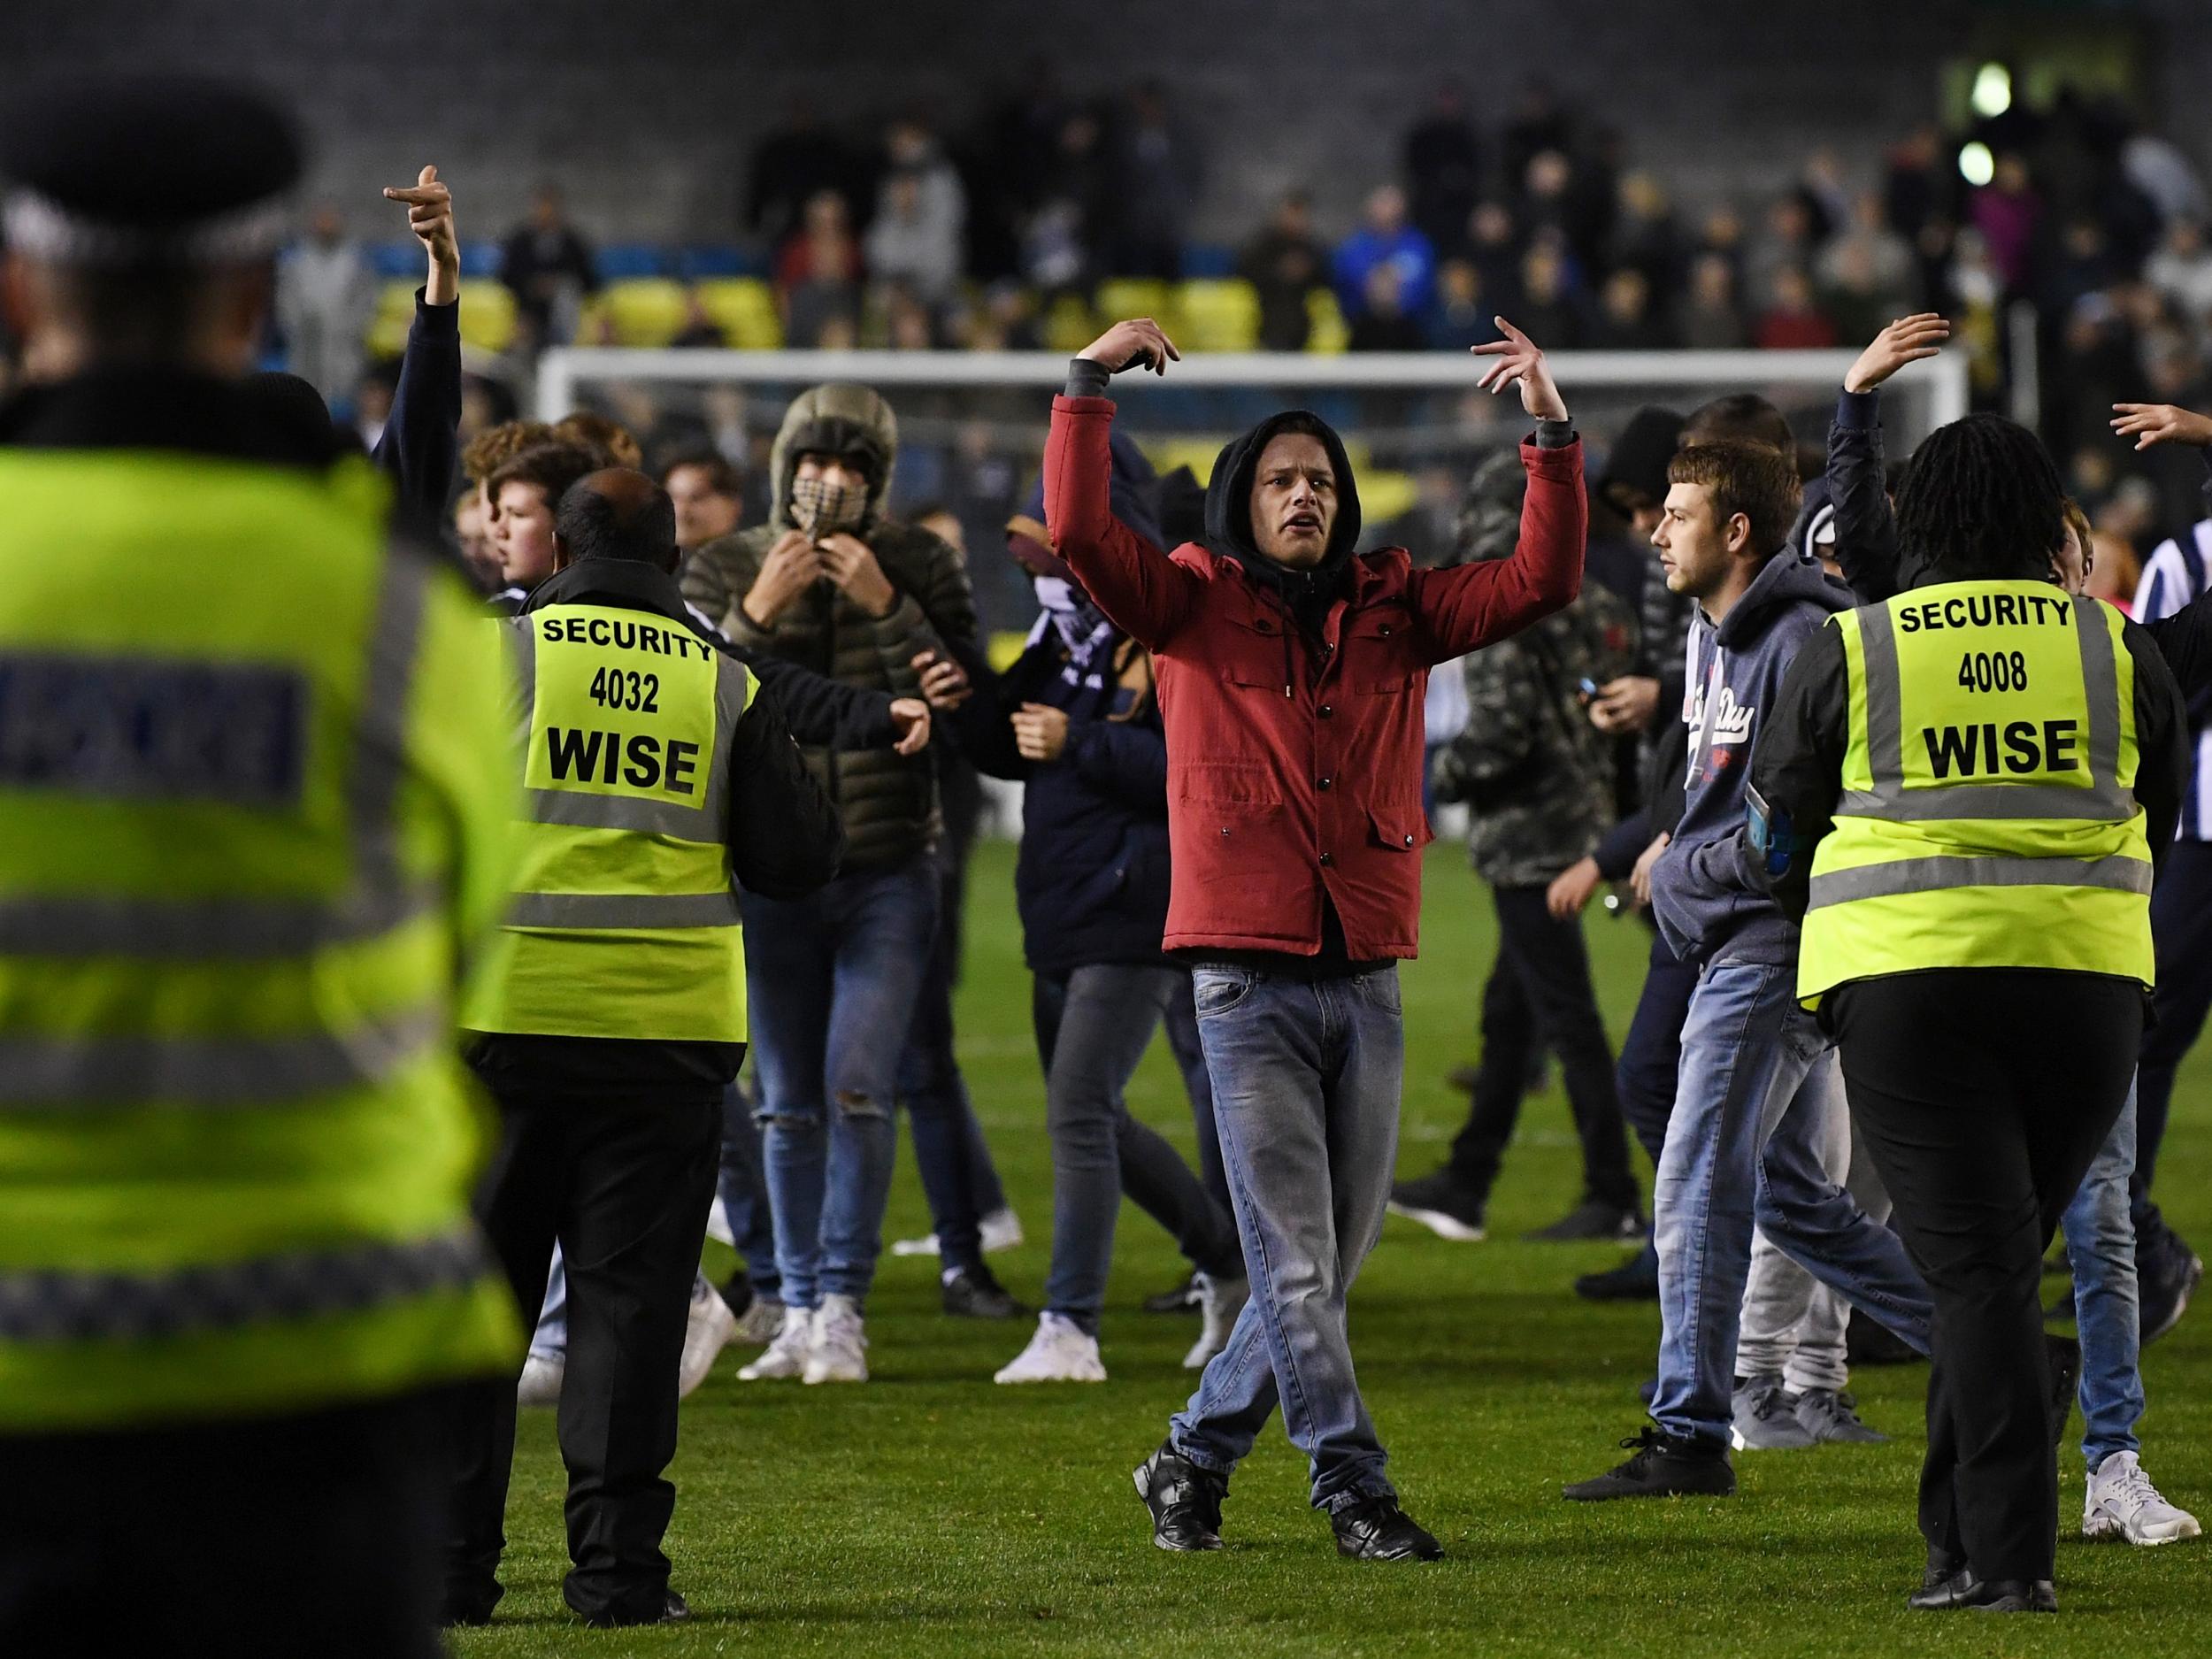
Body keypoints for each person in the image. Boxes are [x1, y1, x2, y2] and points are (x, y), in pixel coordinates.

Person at [0, 78, 519, 1656]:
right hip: (309, 1392)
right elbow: (455, 965)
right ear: (251, 299)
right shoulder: (391, 610)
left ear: (23, 293)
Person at [1049, 312, 1586, 1562]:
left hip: (1369, 972)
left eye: (1324, 480)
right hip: (1242, 981)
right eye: (1284, 479)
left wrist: (1550, 432)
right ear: (1245, 498)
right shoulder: (1185, 600)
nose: (1307, 494)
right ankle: (1355, 1487)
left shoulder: (1399, 605)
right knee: (1296, 1267)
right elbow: (1079, 531)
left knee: (1319, 1275)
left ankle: (1190, 1456)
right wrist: (1087, 386)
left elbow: (1542, 581)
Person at [1749, 413, 2188, 1611]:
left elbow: (1775, 823)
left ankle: (2007, 1560)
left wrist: (1818, 914)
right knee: (1988, 1266)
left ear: (1919, 516)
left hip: (1908, 985)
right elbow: (2164, 809)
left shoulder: (1861, 643)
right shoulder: (2115, 644)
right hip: (2091, 987)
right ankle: (1956, 1544)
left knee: (1982, 1273)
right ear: (2047, 516)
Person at [448, 468, 843, 1628]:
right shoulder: (722, 678)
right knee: (625, 1317)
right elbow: (798, 859)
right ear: (674, 560)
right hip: (664, 1040)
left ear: (558, 546)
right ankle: (618, 1576)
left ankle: (451, 1569)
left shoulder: (495, 652)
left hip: (500, 1026)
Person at [1564, 440, 1933, 1503]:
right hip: (1733, 934)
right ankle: (1990, 1344)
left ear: (1735, 532)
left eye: (1675, 513)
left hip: (1773, 943)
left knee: (1690, 1178)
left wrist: (1680, 865)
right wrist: (1673, 846)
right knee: (1785, 1193)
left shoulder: (1800, 637)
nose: (1655, 529)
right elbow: (1723, 788)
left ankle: (1688, 1432)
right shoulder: (1715, 630)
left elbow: (1795, 835)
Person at [681, 382, 987, 1382]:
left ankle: (842, 1304)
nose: (833, 485)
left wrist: (887, 608)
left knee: (859, 1085)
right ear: (784, 469)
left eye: (855, 469)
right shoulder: (727, 563)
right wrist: (756, 610)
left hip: (891, 862)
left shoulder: (921, 561)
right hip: (772, 873)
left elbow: (963, 700)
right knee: (781, 1101)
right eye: (817, 464)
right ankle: (797, 1303)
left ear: (880, 482)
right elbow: (708, 693)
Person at [925, 451, 1248, 1384]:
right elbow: (1011, 751)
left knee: (1076, 1109)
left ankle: (1070, 1326)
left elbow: (1198, 776)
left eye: (1049, 558)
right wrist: (965, 705)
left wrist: (1086, 742)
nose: (1036, 576)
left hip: (1135, 903)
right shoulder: (1062, 641)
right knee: (1095, 1116)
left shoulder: (1172, 638)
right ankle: (1227, 1262)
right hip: (1062, 902)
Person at [1389, 449, 1644, 1244]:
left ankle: (1614, 1192)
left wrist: (1438, 776)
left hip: (1530, 841)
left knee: (1566, 1020)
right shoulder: (1596, 598)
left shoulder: (1508, 606)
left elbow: (1499, 734)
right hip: (1584, 824)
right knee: (1514, 1016)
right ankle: (1468, 1182)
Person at [499, 182, 596, 349]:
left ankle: (565, 350)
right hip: (526, 305)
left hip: (565, 308)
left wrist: (558, 283)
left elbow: (589, 281)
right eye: (541, 206)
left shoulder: (573, 242)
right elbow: (506, 278)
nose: (545, 211)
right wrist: (532, 286)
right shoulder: (520, 241)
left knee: (564, 298)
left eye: (550, 206)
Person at [662, 449, 743, 552]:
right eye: (672, 498)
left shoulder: (763, 562)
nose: (681, 512)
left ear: (733, 504)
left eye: (696, 498)